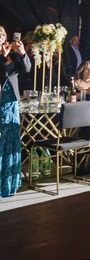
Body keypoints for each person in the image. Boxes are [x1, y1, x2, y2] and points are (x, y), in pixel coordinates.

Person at [0, 27, 29, 197]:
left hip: (12, 104)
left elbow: (27, 69)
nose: (0, 36)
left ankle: (8, 185)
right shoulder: (4, 54)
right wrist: (3, 56)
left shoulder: (14, 52)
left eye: (2, 34)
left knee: (11, 142)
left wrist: (23, 52)